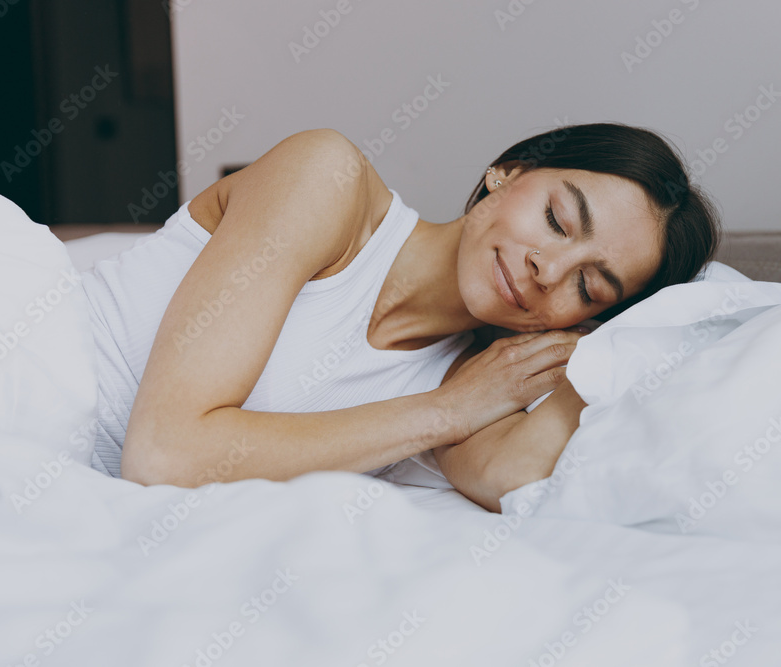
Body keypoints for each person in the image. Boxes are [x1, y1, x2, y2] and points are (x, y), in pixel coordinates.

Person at [88, 122, 718, 490]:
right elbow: (163, 453)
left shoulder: (475, 383)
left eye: (589, 287)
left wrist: (607, 352)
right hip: (30, 379)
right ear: (507, 171)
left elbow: (517, 473)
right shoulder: (328, 179)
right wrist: (444, 413)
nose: (547, 270)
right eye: (556, 219)